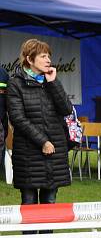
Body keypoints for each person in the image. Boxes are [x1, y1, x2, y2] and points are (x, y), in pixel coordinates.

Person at [6, 39, 73, 207]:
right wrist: (43, 141)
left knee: (49, 203)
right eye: (43, 56)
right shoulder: (16, 83)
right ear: (30, 59)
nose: (48, 60)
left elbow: (66, 109)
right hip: (28, 154)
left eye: (49, 56)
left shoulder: (51, 82)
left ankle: (46, 234)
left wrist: (54, 83)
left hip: (54, 153)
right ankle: (30, 235)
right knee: (29, 203)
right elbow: (17, 118)